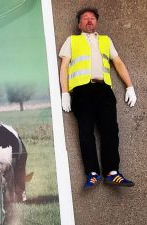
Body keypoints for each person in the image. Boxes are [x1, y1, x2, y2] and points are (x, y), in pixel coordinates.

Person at [59, 7, 137, 190]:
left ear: (96, 22)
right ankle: (92, 173)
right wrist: (65, 92)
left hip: (103, 90)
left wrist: (130, 86)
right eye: (85, 18)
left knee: (110, 130)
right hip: (81, 91)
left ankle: (112, 173)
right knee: (86, 132)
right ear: (79, 24)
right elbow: (64, 67)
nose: (89, 20)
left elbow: (117, 62)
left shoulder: (105, 40)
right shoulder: (72, 40)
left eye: (92, 18)